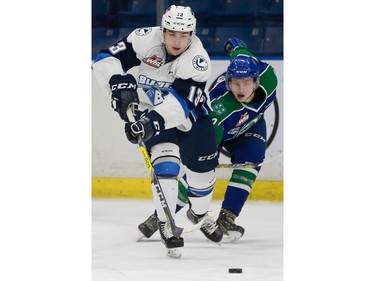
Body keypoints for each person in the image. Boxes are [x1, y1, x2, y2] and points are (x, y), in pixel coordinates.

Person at [92, 5, 223, 258]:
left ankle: (198, 213)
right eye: (172, 33)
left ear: (192, 34)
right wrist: (115, 84)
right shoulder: (144, 38)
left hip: (192, 118)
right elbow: (104, 59)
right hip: (152, 111)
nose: (177, 41)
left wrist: (149, 122)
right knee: (166, 166)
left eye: (184, 35)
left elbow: (181, 106)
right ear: (162, 31)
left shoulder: (198, 60)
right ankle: (167, 223)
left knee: (202, 177)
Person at [138, 37, 278, 242]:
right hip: (221, 131)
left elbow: (241, 52)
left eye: (246, 83)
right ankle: (160, 216)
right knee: (201, 174)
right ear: (228, 82)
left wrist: (236, 46)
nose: (240, 89)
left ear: (256, 81)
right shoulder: (219, 108)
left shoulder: (270, 77)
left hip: (251, 126)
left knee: (252, 161)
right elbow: (206, 144)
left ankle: (227, 217)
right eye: (235, 83)